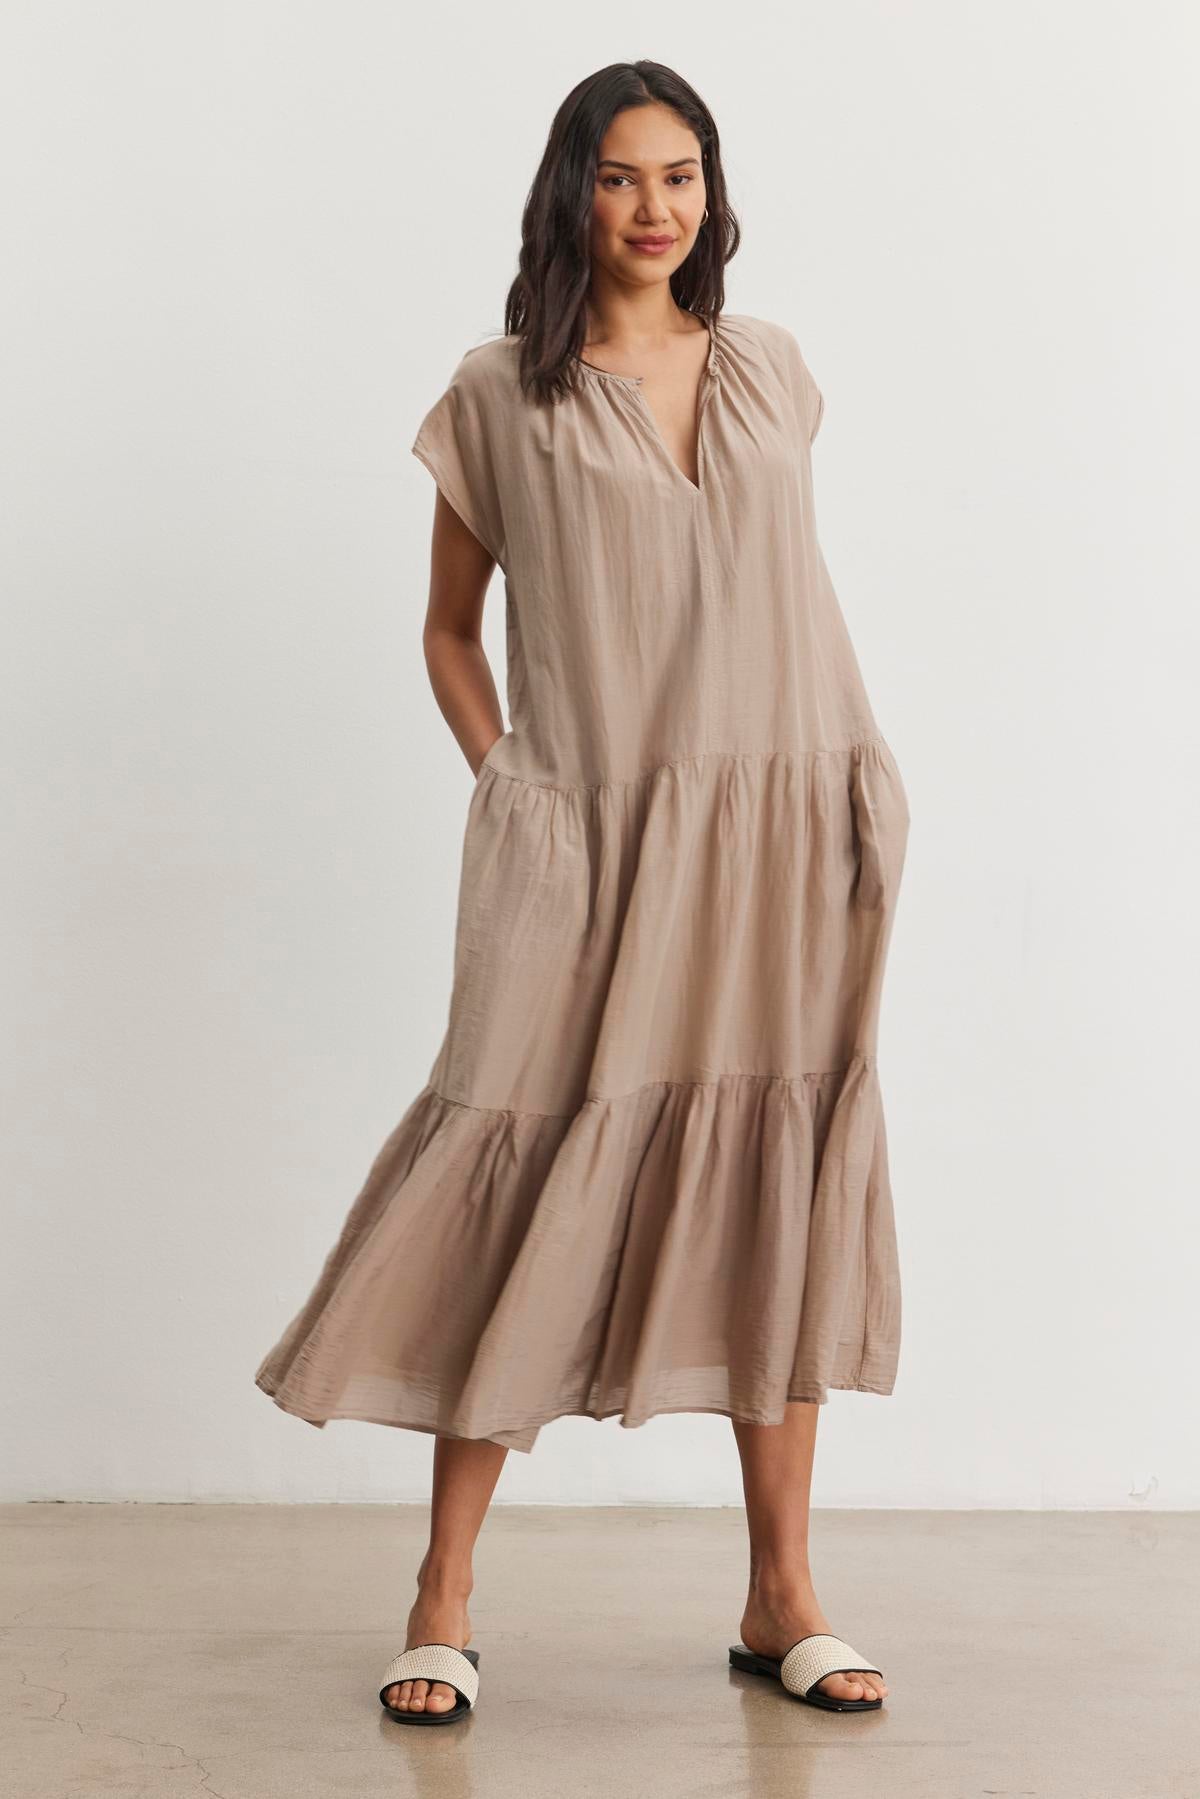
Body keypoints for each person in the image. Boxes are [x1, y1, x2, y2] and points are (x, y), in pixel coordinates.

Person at [255, 58, 910, 1724]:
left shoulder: (773, 369)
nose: (655, 207)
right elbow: (448, 634)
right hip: (595, 842)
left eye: (681, 174)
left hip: (778, 830)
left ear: (713, 192)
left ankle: (784, 1595)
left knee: (776, 1170)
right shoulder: (501, 394)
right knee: (529, 1155)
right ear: (572, 194)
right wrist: (518, 784)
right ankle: (445, 1594)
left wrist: (851, 790)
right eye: (622, 177)